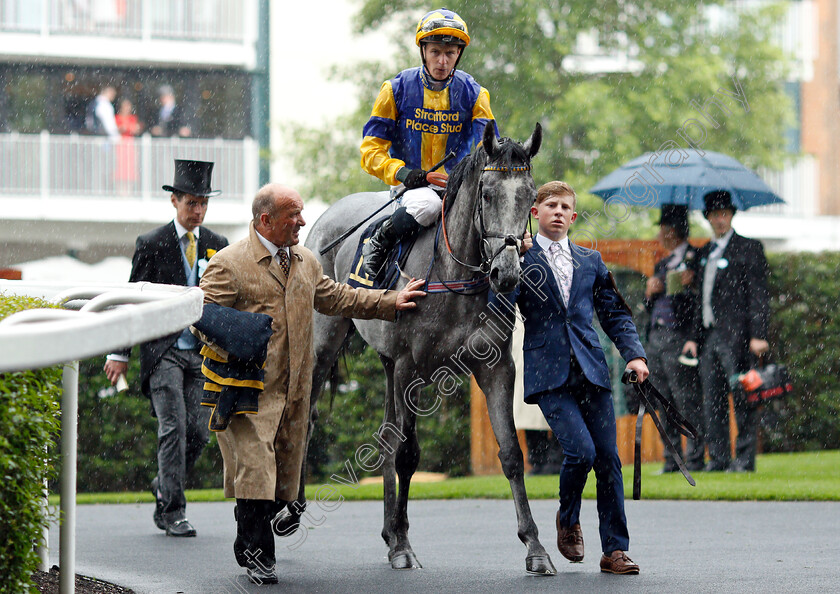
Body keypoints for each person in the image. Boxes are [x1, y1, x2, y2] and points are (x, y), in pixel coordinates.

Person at [198, 183, 427, 585]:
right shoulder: (229, 263)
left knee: (282, 472)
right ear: (265, 220)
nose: (302, 221)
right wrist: (242, 337)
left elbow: (337, 297)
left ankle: (249, 533)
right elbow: (203, 318)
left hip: (293, 392)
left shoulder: (305, 260)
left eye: (302, 213)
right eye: (293, 215)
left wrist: (389, 301)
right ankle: (258, 553)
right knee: (256, 469)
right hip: (245, 388)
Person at [491, 180, 648, 575]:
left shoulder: (591, 261)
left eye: (565, 207)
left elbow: (615, 314)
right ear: (534, 213)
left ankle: (615, 550)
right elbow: (498, 310)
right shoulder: (520, 261)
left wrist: (636, 355)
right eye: (551, 206)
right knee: (582, 452)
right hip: (548, 374)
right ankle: (568, 518)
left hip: (592, 370)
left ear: (573, 217)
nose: (559, 212)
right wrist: (512, 258)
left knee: (609, 461)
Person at [103, 159, 228, 537]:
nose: (199, 211)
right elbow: (131, 298)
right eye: (192, 202)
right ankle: (173, 511)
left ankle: (163, 484)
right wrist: (119, 353)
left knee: (200, 433)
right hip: (164, 352)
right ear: (174, 201)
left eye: (204, 203)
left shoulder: (217, 245)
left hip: (201, 351)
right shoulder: (151, 244)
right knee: (172, 428)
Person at [359, 7, 497, 277]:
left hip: (458, 189)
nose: (442, 61)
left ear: (459, 54)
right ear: (423, 51)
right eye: (435, 52)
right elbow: (370, 151)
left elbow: (489, 148)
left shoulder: (475, 94)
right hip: (412, 190)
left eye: (450, 53)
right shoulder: (395, 89)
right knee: (429, 205)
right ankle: (378, 241)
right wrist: (402, 172)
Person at [683, 190, 770, 472]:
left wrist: (759, 334)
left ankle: (744, 460)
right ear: (707, 218)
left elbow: (759, 294)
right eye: (714, 215)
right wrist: (694, 339)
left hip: (739, 337)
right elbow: (700, 300)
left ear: (731, 215)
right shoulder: (704, 252)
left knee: (742, 397)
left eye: (724, 214)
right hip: (709, 337)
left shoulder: (749, 248)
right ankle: (719, 459)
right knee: (713, 401)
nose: (720, 219)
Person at [643, 205, 705, 473]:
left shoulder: (696, 258)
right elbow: (650, 306)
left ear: (674, 231)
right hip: (655, 337)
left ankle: (695, 459)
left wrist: (692, 284)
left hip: (679, 337)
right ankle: (672, 460)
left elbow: (702, 302)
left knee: (686, 399)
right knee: (661, 400)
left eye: (664, 228)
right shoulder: (661, 263)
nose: (660, 233)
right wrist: (649, 292)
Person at [115, 98, 142, 194]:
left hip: (130, 146)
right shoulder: (117, 117)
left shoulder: (132, 118)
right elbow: (119, 129)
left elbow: (136, 128)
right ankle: (120, 189)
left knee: (130, 168)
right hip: (121, 145)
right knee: (120, 167)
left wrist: (127, 128)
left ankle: (129, 189)